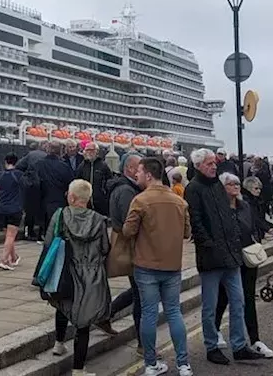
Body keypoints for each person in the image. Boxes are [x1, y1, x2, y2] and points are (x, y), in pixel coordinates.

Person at [185, 149, 262, 365]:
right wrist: (210, 244)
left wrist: (235, 238)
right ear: (199, 165)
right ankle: (212, 346)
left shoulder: (218, 185)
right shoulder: (193, 188)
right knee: (210, 306)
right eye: (209, 163)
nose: (214, 166)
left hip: (231, 254)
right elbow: (196, 221)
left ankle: (239, 346)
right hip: (210, 257)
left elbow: (228, 214)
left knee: (238, 302)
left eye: (214, 163)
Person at [123, 157, 193, 376]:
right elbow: (187, 233)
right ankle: (183, 364)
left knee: (149, 315)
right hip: (172, 266)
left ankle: (151, 364)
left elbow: (127, 231)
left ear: (149, 175)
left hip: (146, 265)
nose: (137, 175)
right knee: (174, 313)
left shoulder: (140, 200)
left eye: (140, 172)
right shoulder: (179, 201)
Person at [42, 179, 111, 376]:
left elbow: (48, 242)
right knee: (83, 322)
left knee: (62, 304)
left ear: (71, 197)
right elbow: (106, 248)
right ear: (88, 199)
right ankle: (78, 370)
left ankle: (59, 343)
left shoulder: (60, 215)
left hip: (66, 270)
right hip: (91, 273)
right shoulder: (99, 219)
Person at [216, 173, 273, 358]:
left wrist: (270, 230)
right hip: (229, 259)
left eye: (237, 183)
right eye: (230, 183)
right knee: (224, 297)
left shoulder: (245, 206)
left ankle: (255, 340)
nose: (235, 186)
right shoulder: (219, 207)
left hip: (248, 257)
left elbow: (255, 222)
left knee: (248, 298)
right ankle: (215, 331)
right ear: (222, 187)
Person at [105, 153, 144, 344]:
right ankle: (142, 343)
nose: (143, 171)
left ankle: (107, 314)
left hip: (131, 245)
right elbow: (132, 223)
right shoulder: (127, 191)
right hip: (132, 246)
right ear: (129, 169)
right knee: (141, 294)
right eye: (140, 167)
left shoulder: (128, 188)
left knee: (139, 289)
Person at [0, 153, 26, 270]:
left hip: (2, 208)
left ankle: (14, 257)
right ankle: (4, 260)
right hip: (15, 208)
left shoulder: (1, 175)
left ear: (5, 162)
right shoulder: (19, 175)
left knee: (8, 236)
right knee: (11, 235)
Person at [75, 141, 113, 216]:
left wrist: (105, 195)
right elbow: (77, 181)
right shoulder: (82, 166)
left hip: (100, 203)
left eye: (91, 150)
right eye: (87, 150)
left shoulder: (103, 165)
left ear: (96, 151)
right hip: (86, 202)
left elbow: (110, 180)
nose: (89, 152)